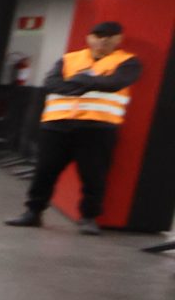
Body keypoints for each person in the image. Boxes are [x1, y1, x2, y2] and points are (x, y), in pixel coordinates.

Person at [8, 19, 140, 232]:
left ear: (118, 39)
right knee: (45, 171)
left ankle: (88, 218)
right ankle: (33, 212)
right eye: (98, 36)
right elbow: (52, 84)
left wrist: (79, 81)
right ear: (89, 38)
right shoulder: (69, 59)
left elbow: (115, 83)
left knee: (94, 175)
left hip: (97, 127)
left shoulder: (128, 62)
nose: (102, 41)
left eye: (108, 38)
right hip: (57, 125)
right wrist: (92, 83)